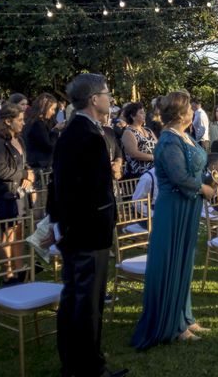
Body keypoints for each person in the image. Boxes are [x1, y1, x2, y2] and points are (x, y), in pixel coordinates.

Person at [49, 73, 127, 377]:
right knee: (87, 302)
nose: (111, 98)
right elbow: (75, 190)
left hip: (78, 231)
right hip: (87, 232)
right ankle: (89, 367)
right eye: (107, 93)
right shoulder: (85, 134)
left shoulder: (78, 131)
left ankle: (74, 363)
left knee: (76, 298)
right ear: (94, 99)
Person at [131, 91, 215, 348]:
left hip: (188, 206)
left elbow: (195, 167)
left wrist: (208, 179)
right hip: (174, 208)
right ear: (180, 113)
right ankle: (172, 323)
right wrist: (204, 189)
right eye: (189, 106)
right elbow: (179, 176)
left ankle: (184, 315)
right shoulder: (168, 140)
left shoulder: (185, 135)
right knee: (172, 260)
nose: (193, 109)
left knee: (185, 261)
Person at [0, 103, 34, 285]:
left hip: (19, 194)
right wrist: (24, 175)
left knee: (19, 231)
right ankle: (8, 273)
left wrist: (29, 174)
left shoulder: (19, 139)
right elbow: (0, 170)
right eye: (20, 120)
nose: (23, 123)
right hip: (4, 195)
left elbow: (25, 163)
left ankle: (20, 268)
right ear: (7, 121)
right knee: (7, 233)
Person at [24, 92, 64, 170]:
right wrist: (56, 130)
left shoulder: (35, 121)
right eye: (52, 109)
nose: (53, 112)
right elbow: (49, 145)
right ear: (44, 108)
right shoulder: (37, 124)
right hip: (40, 165)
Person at [121, 102, 157, 178]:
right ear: (133, 116)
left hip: (153, 172)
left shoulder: (148, 130)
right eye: (141, 113)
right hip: (138, 175)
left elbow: (158, 146)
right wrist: (154, 157)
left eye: (144, 112)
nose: (144, 115)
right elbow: (134, 153)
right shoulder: (128, 132)